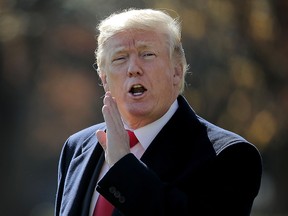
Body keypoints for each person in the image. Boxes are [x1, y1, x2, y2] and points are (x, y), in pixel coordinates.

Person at [54, 8, 262, 216]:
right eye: (120, 58)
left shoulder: (230, 156)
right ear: (105, 79)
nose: (133, 68)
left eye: (147, 54)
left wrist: (123, 167)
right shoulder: (78, 147)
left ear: (177, 71)